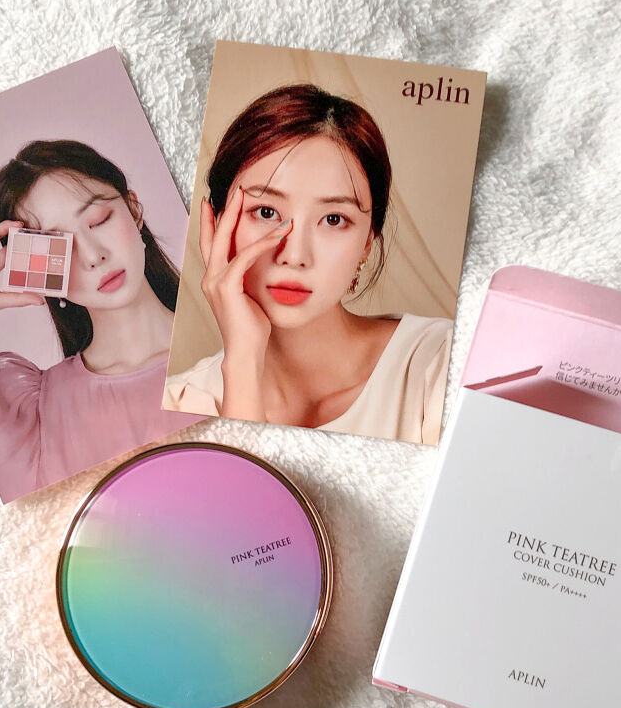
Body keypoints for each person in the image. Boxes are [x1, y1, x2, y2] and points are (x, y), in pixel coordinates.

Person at [162, 85, 452, 445]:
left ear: (367, 242)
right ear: (218, 223)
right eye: (266, 212)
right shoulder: (183, 402)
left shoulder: (437, 366)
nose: (295, 255)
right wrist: (243, 364)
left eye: (333, 219)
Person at [0, 140, 199, 501]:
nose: (93, 256)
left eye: (98, 221)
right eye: (59, 247)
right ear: (35, 270)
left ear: (134, 209)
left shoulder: (242, 342)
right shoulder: (24, 416)